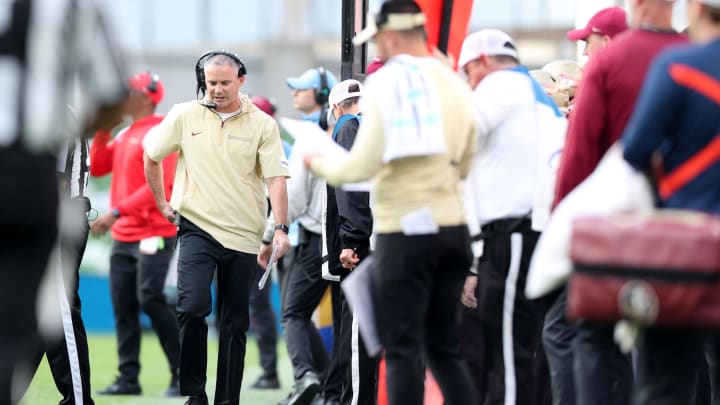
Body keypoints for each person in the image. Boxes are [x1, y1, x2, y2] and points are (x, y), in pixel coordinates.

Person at [305, 1, 478, 403]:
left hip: (404, 232)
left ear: (391, 34)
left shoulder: (386, 84)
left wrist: (320, 163)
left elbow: (361, 166)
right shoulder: (453, 79)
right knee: (445, 348)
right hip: (452, 229)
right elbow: (470, 155)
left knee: (402, 348)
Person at [550, 1, 687, 405]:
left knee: (586, 332)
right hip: (689, 226)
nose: (586, 53)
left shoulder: (610, 65)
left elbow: (579, 157)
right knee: (682, 342)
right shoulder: (697, 56)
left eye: (588, 43)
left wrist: (565, 225)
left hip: (616, 227)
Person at [143, 50, 291, 405]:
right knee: (192, 307)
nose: (218, 90)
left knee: (235, 322)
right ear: (202, 81)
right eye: (211, 83)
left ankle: (227, 400)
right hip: (196, 227)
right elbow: (151, 156)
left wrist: (281, 227)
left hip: (244, 234)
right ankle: (195, 393)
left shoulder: (263, 124)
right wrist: (163, 203)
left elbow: (276, 180)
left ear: (241, 80)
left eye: (225, 82)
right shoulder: (184, 114)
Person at [0, 1, 128, 404]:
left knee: (57, 308)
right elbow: (114, 92)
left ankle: (77, 397)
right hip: (34, 190)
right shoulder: (67, 14)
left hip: (55, 199)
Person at [622, 0, 720, 403]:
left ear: (696, 8)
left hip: (687, 247)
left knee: (667, 382)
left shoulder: (677, 66)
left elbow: (635, 149)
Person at [456, 28, 560, 405]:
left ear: (481, 63)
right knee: (521, 353)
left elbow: (459, 135)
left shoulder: (500, 86)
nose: (468, 84)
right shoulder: (531, 95)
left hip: (514, 232)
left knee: (508, 355)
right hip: (532, 233)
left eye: (467, 74)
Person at [89, 71, 181, 397]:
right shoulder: (128, 131)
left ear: (144, 97)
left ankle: (182, 373)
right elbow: (98, 166)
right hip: (125, 235)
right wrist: (102, 128)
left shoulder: (161, 133)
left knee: (150, 299)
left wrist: (115, 213)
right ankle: (128, 378)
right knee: (123, 305)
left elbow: (160, 187)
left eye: (129, 92)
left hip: (153, 232)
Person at [264, 66, 342, 405]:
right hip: (346, 241)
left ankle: (306, 378)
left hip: (310, 239)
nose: (295, 94)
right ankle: (329, 386)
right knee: (341, 319)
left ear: (325, 98)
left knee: (293, 312)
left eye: (303, 89)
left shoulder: (310, 140)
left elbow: (291, 197)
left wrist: (270, 234)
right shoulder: (354, 134)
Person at [324, 79, 378, 405]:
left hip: (362, 245)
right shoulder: (377, 126)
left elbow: (350, 186)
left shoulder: (348, 126)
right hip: (390, 239)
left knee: (356, 336)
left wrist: (351, 241)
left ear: (335, 108)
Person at [247, 95, 282, 391]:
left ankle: (270, 371)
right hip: (245, 239)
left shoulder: (276, 150)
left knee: (259, 307)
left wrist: (270, 238)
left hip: (264, 244)